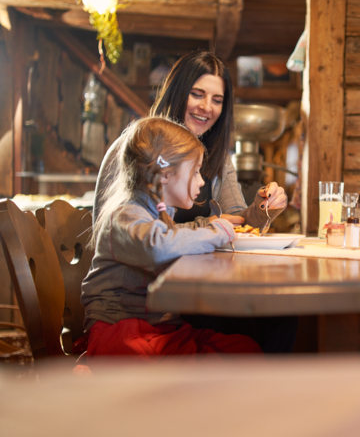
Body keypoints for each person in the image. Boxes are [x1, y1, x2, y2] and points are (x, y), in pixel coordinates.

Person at [93, 50, 297, 353]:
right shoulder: (136, 151)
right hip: (145, 300)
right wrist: (214, 229)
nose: (206, 107)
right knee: (258, 330)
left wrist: (264, 208)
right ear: (177, 92)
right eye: (197, 94)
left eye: (217, 100)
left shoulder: (217, 156)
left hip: (182, 298)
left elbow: (237, 221)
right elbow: (121, 232)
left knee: (281, 317)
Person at [82, 117, 262, 357]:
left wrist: (209, 225)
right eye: (196, 172)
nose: (201, 181)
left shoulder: (157, 214)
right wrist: (216, 232)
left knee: (245, 349)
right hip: (120, 329)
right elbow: (159, 246)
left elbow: (174, 236)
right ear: (165, 174)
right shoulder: (125, 215)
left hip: (161, 327)